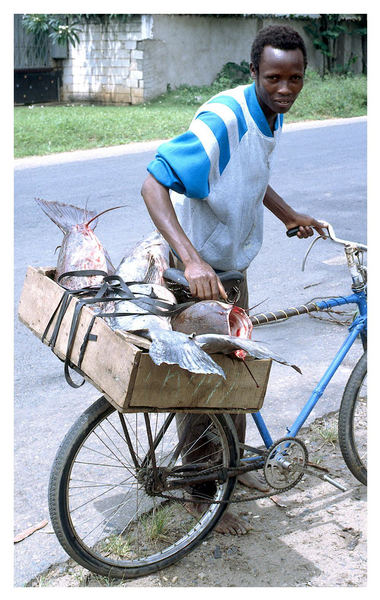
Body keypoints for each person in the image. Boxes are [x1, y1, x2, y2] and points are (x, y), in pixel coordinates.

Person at [141, 24, 327, 534]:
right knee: (207, 391)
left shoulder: (271, 116)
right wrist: (192, 260)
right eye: (273, 78)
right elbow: (153, 183)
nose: (285, 88)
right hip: (193, 275)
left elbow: (251, 174)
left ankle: (224, 472)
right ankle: (200, 499)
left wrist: (288, 214)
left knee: (235, 384)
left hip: (230, 273)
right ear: (254, 73)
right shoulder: (224, 118)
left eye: (294, 78)